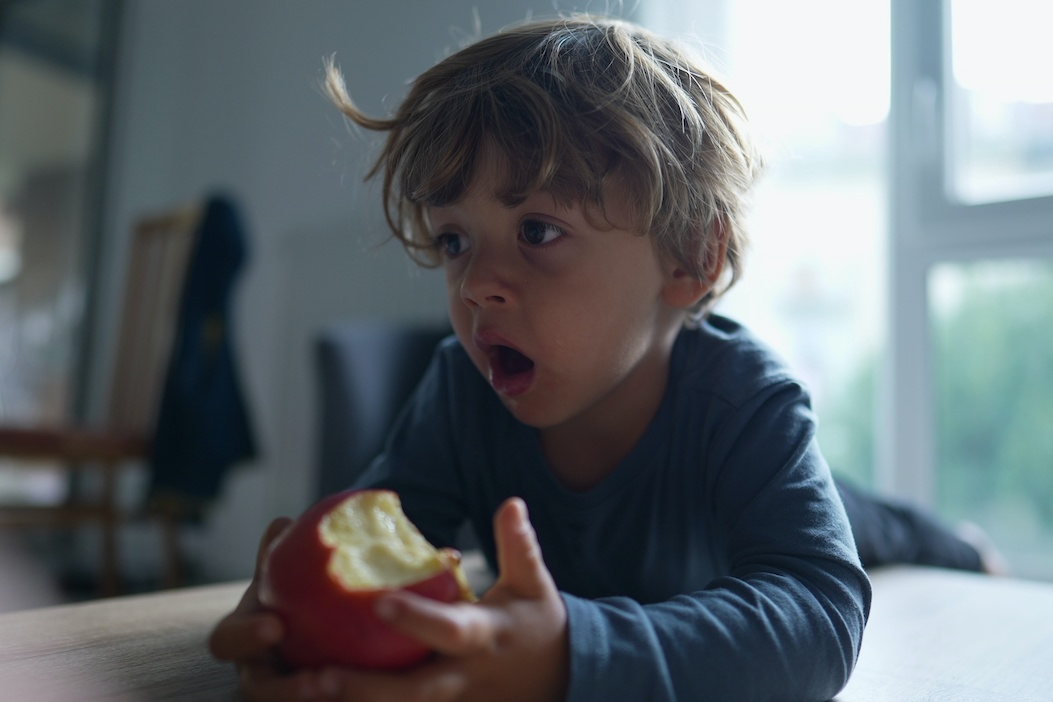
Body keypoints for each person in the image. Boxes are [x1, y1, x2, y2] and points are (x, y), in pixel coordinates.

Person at [210, 14, 995, 701]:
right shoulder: (462, 387)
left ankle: (960, 544)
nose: (476, 284)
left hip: (786, 501)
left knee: (875, 528)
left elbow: (818, 613)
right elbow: (377, 540)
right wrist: (297, 620)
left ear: (688, 257)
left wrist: (571, 656)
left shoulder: (747, 400)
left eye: (537, 231)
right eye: (454, 240)